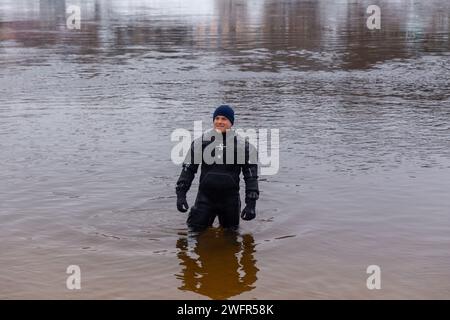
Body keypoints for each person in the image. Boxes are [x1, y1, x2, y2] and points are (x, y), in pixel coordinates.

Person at [175, 105, 259, 231]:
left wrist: (251, 204)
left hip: (230, 201)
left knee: (231, 239)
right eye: (217, 118)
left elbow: (251, 177)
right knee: (193, 235)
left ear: (231, 122)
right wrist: (181, 194)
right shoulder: (201, 142)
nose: (219, 121)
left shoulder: (244, 146)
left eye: (224, 119)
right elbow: (188, 170)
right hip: (205, 199)